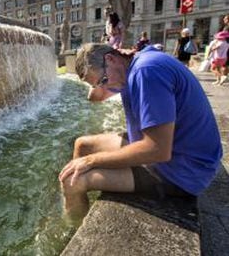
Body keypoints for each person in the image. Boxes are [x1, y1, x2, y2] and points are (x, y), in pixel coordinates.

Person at [59, 43, 222, 221]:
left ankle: (74, 225)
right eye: (100, 83)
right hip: (176, 146)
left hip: (183, 169)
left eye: (104, 81)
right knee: (82, 144)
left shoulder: (147, 72)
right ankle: (78, 205)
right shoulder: (130, 65)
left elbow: (158, 150)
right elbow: (96, 96)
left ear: (111, 58)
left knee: (71, 182)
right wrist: (99, 82)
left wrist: (90, 161)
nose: (107, 86)